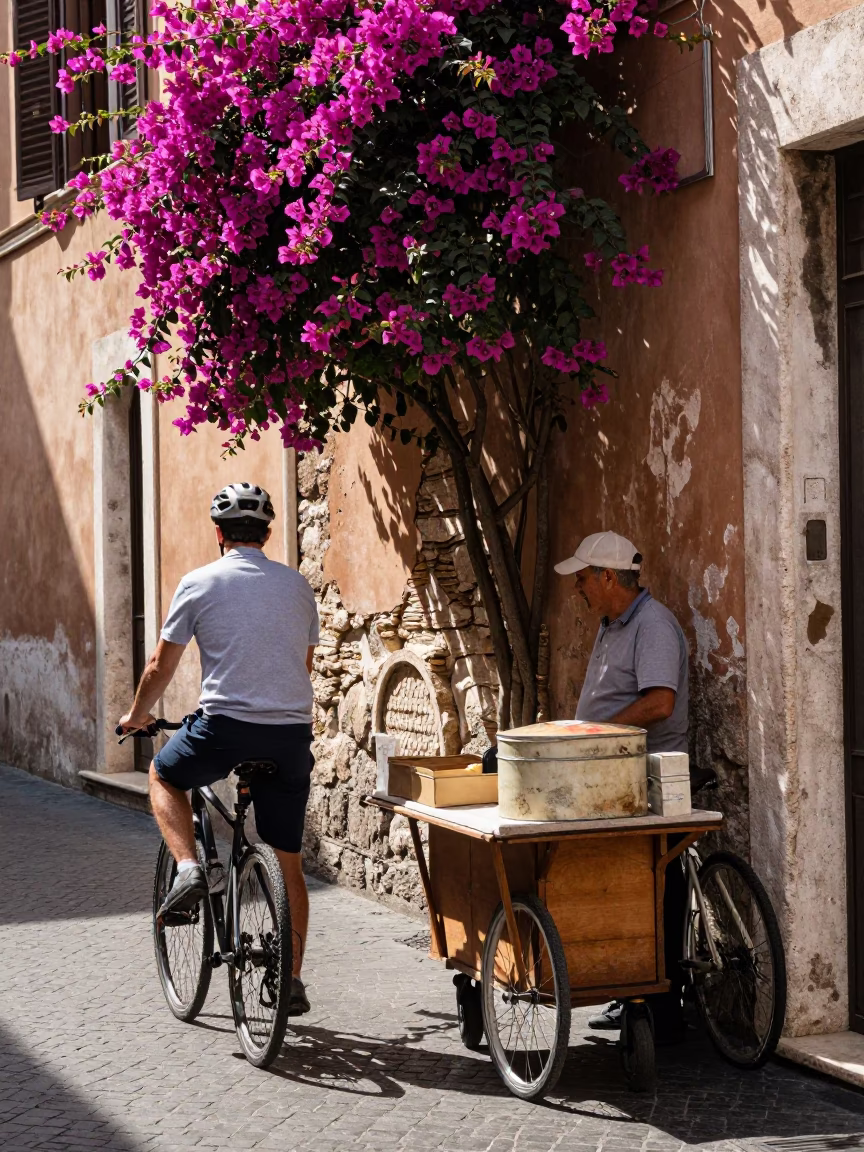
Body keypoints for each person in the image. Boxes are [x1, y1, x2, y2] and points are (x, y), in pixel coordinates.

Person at [118, 482, 320, 1016]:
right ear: (268, 534)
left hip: (224, 726)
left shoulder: (199, 582)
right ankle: (291, 979)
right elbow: (301, 668)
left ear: (219, 534)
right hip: (291, 733)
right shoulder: (297, 585)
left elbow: (161, 666)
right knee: (290, 864)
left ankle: (188, 867)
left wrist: (138, 715)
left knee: (164, 775)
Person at [554, 529, 689, 1042]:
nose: (578, 589)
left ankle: (659, 996)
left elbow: (659, 703)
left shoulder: (652, 625)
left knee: (653, 883)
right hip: (609, 768)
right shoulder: (613, 624)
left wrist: (601, 732)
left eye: (584, 578)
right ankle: (628, 985)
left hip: (642, 773)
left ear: (609, 577)